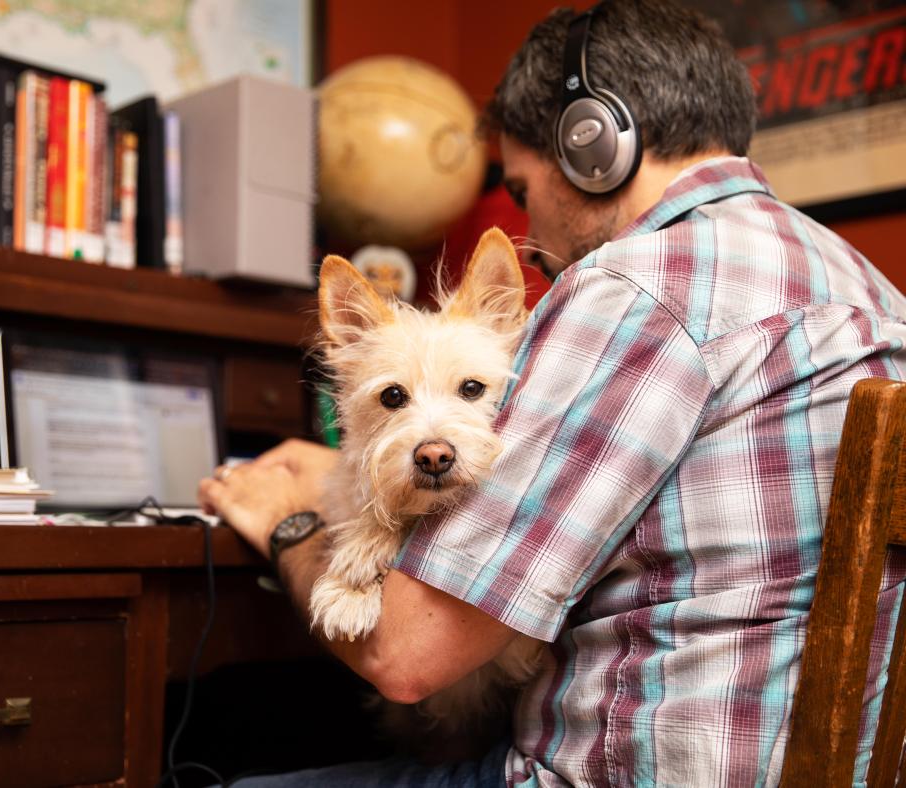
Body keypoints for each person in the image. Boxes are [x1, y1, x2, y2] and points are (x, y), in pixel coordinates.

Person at [199, 1, 906, 785]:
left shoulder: (635, 292)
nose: (533, 238)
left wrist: (286, 523)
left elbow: (409, 655)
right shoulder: (871, 290)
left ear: (592, 143)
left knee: (227, 761)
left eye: (523, 189)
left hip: (614, 773)